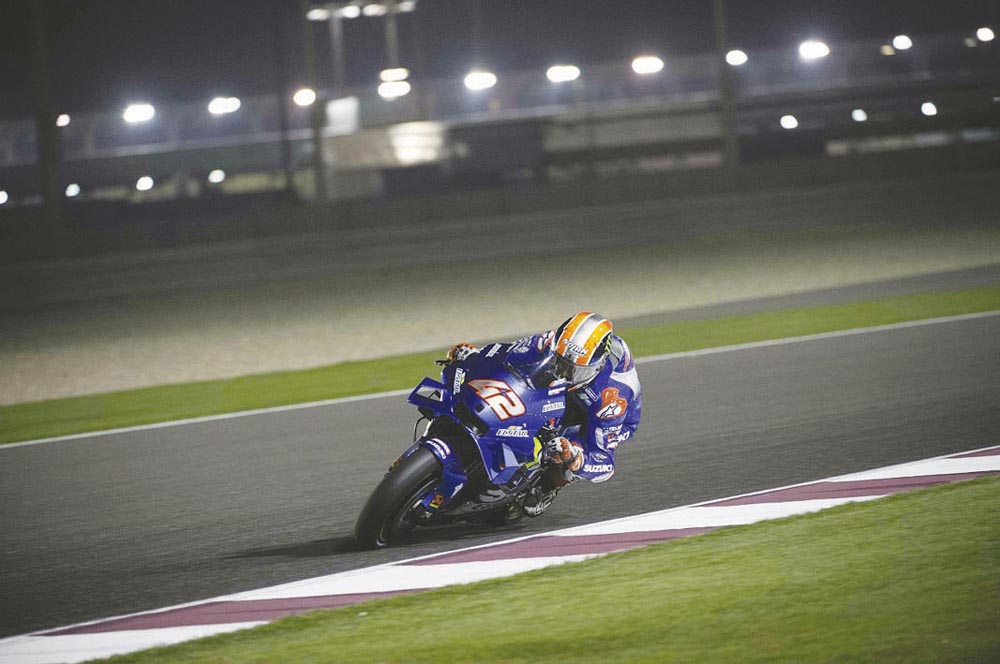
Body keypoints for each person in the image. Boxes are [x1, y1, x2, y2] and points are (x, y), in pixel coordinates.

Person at [447, 311, 642, 515]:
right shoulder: (551, 343)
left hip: (604, 416)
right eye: (560, 363)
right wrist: (474, 356)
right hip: (572, 386)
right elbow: (507, 354)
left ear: (597, 366)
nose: (565, 374)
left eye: (574, 370)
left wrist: (576, 458)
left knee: (564, 449)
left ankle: (549, 487)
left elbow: (605, 464)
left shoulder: (612, 398)